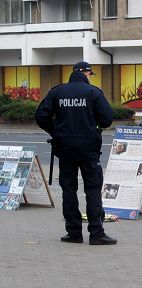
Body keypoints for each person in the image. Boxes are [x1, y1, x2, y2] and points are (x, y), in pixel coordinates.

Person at [36, 61, 117, 245]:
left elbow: (41, 116)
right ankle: (96, 234)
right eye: (90, 74)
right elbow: (107, 119)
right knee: (93, 189)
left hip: (65, 149)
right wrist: (93, 126)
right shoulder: (93, 92)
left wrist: (56, 131)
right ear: (85, 73)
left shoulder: (57, 92)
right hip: (89, 149)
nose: (90, 77)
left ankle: (73, 233)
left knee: (69, 190)